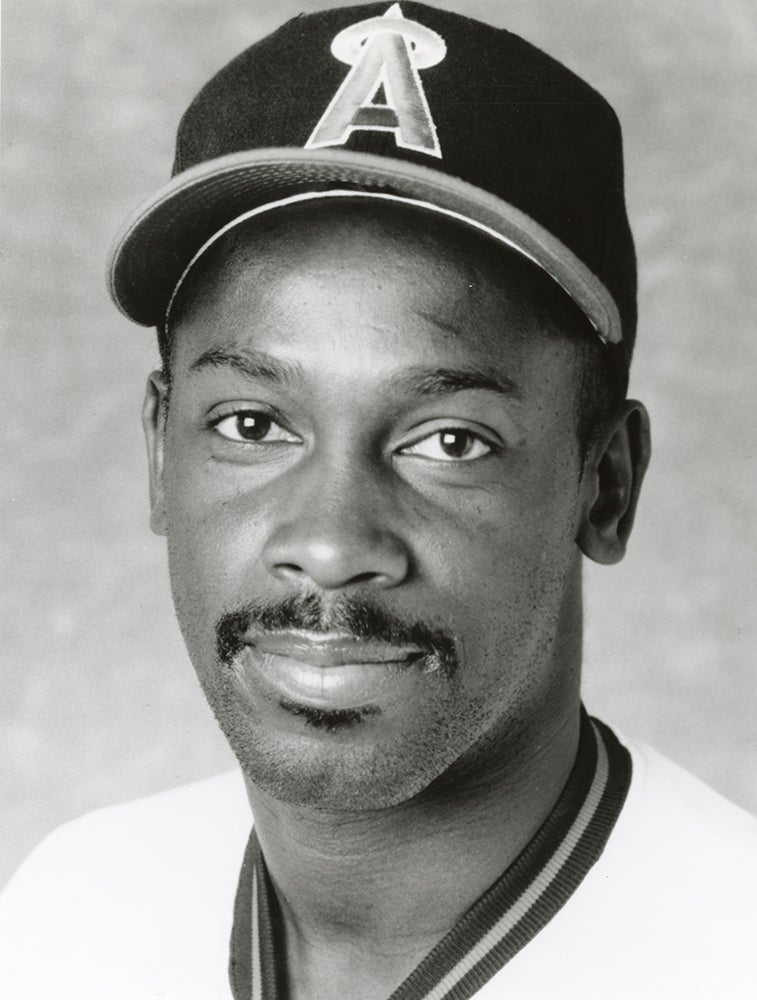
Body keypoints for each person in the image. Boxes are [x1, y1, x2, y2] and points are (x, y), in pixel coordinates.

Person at [1, 3, 755, 997]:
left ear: (604, 486)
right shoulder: (73, 908)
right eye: (253, 425)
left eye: (449, 439)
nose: (329, 543)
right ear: (157, 450)